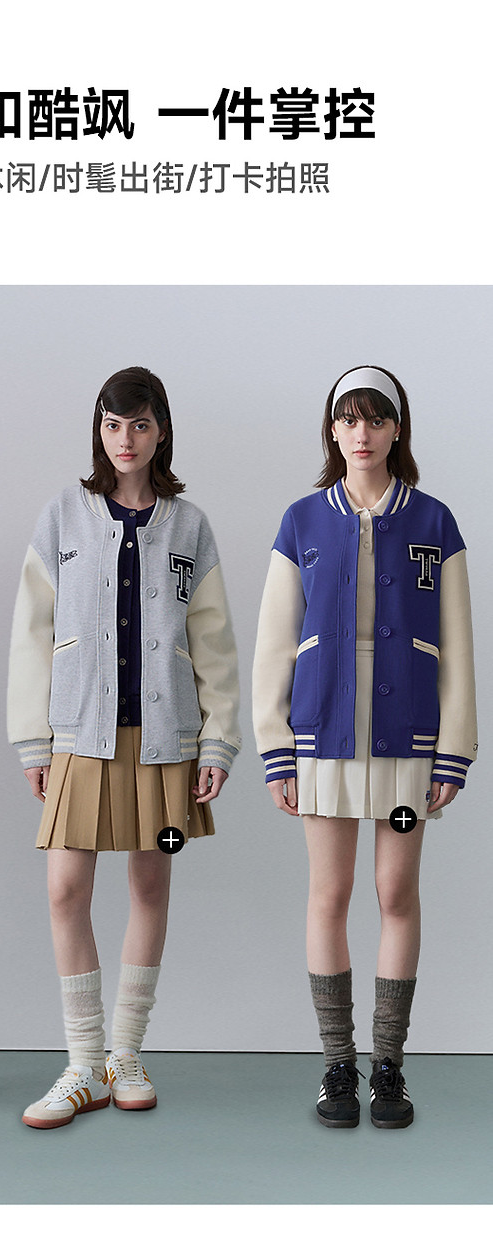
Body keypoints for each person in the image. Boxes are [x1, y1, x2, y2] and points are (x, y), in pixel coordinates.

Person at [8, 366, 241, 1129]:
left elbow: (213, 641)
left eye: (139, 424)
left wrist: (218, 741)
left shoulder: (189, 526)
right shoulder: (63, 517)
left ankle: (126, 1054)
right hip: (81, 733)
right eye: (113, 424)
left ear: (160, 430)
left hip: (164, 739)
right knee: (65, 889)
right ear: (99, 431)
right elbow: (31, 633)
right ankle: (83, 1063)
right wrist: (33, 739)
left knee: (149, 886)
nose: (126, 438)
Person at [253, 365, 477, 1129]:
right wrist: (276, 746)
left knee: (397, 892)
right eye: (348, 419)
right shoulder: (302, 522)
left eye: (376, 419)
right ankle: (336, 1066)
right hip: (322, 741)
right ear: (332, 430)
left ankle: (388, 1067)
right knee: (329, 893)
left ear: (396, 429)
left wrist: (453, 748)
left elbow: (458, 645)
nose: (362, 433)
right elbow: (275, 642)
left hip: (408, 744)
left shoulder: (435, 522)